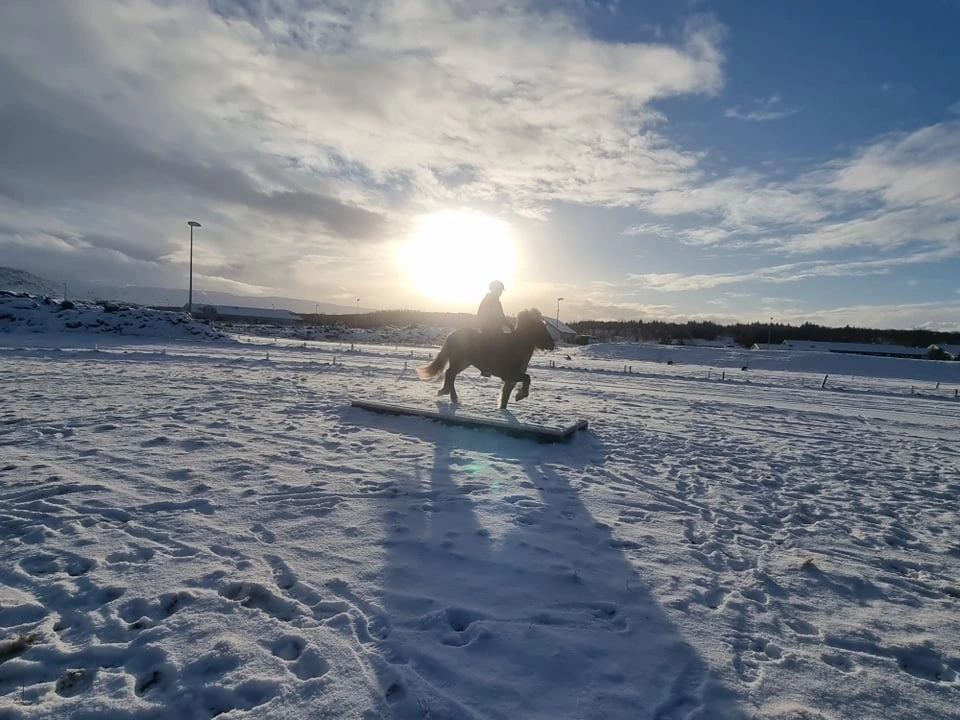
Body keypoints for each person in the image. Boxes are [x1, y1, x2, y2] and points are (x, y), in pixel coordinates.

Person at [476, 280, 513, 376]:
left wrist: (510, 326)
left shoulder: (497, 302)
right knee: (493, 345)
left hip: (497, 329)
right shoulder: (487, 300)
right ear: (495, 290)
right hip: (488, 329)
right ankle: (486, 368)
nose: (501, 293)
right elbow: (480, 314)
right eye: (500, 290)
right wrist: (489, 324)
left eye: (501, 291)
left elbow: (501, 317)